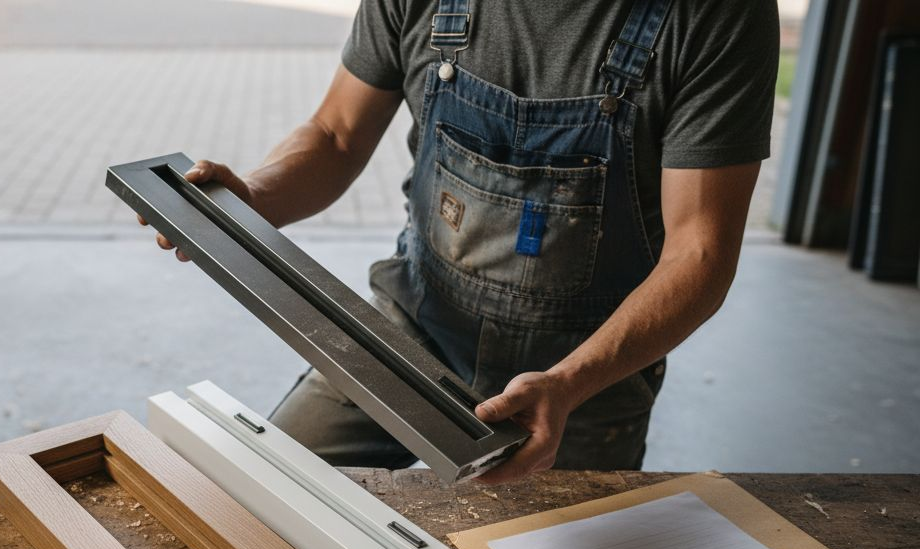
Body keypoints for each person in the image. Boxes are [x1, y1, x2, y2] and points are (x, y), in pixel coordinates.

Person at [139, 0, 778, 483]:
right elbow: (336, 134)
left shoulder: (716, 14)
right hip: (407, 335)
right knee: (267, 493)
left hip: (585, 381)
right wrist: (252, 199)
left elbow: (699, 254)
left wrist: (568, 382)